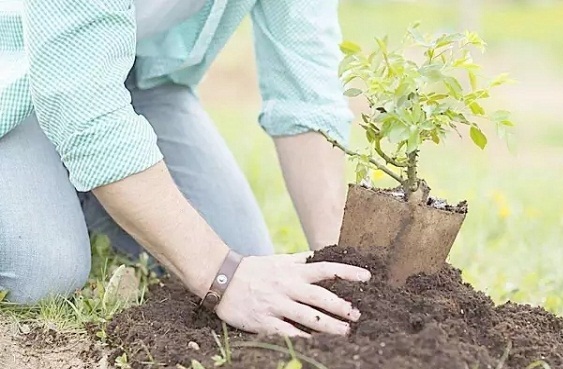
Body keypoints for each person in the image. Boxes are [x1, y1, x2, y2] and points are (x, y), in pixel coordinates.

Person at [0, 1, 372, 337]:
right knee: (43, 273)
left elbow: (306, 88)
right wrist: (223, 279)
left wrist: (339, 266)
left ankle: (84, 181)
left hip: (140, 77)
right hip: (17, 67)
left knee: (246, 255)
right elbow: (82, 103)